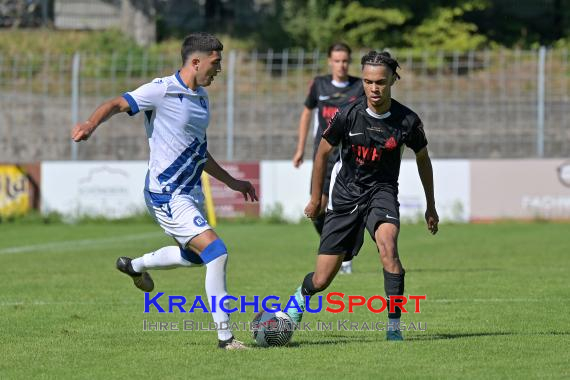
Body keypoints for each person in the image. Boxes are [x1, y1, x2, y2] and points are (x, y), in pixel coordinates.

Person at [71, 32, 257, 350]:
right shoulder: (161, 89)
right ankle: (226, 338)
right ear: (195, 61)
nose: (220, 68)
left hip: (190, 191)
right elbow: (118, 102)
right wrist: (91, 123)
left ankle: (135, 266)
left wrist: (231, 182)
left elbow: (199, 152)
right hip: (166, 193)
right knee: (217, 252)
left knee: (193, 257)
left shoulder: (203, 98)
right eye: (216, 62)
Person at [286, 51, 439, 341]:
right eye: (368, 82)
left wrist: (431, 205)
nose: (373, 88)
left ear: (393, 79)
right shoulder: (348, 114)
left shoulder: (407, 120)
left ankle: (394, 330)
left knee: (388, 249)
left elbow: (423, 159)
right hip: (345, 197)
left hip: (382, 193)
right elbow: (321, 152)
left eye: (380, 82)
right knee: (321, 279)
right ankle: (298, 300)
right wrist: (316, 198)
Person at [292, 42, 364, 275]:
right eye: (337, 60)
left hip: (350, 156)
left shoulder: (359, 87)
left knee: (348, 206)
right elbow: (306, 113)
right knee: (318, 208)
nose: (341, 65)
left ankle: (342, 254)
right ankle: (338, 250)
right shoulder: (319, 84)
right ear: (330, 61)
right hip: (323, 154)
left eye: (345, 61)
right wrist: (300, 149)